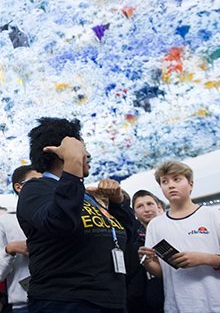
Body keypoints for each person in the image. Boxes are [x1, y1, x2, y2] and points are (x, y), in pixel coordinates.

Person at [16, 117, 137, 312]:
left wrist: (118, 203)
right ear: (61, 152)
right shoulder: (35, 189)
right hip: (65, 302)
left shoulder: (84, 195)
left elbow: (127, 236)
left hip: (110, 301)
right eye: (82, 148)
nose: (87, 154)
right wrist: (72, 164)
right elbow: (59, 222)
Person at [139, 160, 220, 313]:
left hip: (216, 303)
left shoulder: (215, 216)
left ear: (190, 184)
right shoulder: (155, 225)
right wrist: (149, 262)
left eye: (176, 179)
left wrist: (206, 259)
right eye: (164, 181)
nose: (170, 185)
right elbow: (162, 273)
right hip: (176, 306)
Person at [0, 165, 42, 313]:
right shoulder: (6, 221)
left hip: (61, 299)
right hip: (23, 303)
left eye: (45, 181)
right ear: (18, 187)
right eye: (35, 181)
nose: (42, 186)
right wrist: (10, 249)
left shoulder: (56, 215)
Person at [125, 190, 165, 313]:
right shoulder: (133, 243)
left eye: (149, 204)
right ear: (135, 213)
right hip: (148, 304)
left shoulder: (175, 231)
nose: (146, 209)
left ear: (158, 207)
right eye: (140, 206)